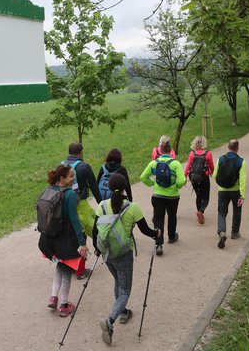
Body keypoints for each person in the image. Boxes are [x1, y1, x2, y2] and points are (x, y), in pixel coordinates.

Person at [92, 173, 159, 346]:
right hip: (123, 253)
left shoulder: (102, 206)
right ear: (124, 188)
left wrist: (97, 248)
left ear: (108, 187)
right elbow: (145, 230)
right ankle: (110, 319)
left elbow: (94, 231)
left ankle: (123, 312)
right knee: (124, 290)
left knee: (118, 281)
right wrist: (157, 233)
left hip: (107, 253)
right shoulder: (132, 207)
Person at [38, 164, 90, 317]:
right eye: (71, 176)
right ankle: (64, 305)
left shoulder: (51, 190)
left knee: (59, 268)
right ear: (62, 178)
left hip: (51, 238)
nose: (74, 179)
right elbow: (74, 220)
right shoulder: (70, 195)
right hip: (66, 240)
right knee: (66, 272)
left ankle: (53, 297)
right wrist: (82, 242)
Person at [140, 138, 185, 256]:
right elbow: (182, 181)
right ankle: (171, 236)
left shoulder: (153, 163)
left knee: (158, 218)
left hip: (158, 195)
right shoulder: (176, 164)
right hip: (173, 196)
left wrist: (153, 184)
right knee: (172, 216)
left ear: (160, 150)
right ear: (170, 151)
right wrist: (176, 186)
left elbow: (143, 177)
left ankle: (159, 244)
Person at [64, 142, 101, 279]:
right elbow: (94, 186)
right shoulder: (84, 167)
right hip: (81, 205)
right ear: (81, 152)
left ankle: (70, 266)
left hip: (65, 205)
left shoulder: (61, 166)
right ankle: (80, 271)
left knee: (72, 235)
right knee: (83, 234)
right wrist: (102, 204)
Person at [214, 140, 247, 249]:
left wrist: (221, 184)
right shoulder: (241, 162)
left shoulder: (221, 159)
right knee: (237, 212)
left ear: (228, 147)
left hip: (222, 190)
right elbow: (242, 180)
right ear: (237, 148)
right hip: (236, 191)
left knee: (222, 212)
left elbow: (215, 175)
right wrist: (242, 195)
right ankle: (235, 233)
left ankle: (222, 231)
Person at [184, 135, 214, 225]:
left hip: (193, 178)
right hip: (204, 177)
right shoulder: (208, 154)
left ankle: (199, 211)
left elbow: (188, 166)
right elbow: (212, 166)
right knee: (206, 196)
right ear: (204, 143)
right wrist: (215, 173)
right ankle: (201, 211)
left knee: (199, 195)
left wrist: (184, 177)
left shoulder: (192, 153)